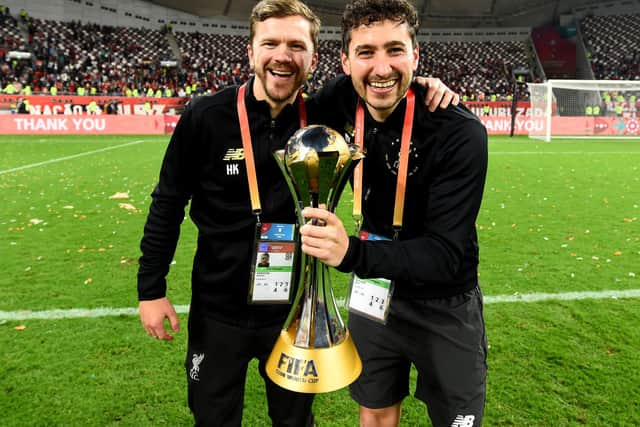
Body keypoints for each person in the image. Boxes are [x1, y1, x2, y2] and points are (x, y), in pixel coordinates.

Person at [137, 0, 457, 425]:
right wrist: (151, 289)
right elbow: (168, 204)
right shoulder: (205, 117)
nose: (282, 55)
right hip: (218, 310)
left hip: (296, 310)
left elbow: (384, 75)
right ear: (251, 52)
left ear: (314, 57)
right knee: (213, 417)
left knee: (294, 422)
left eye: (296, 45)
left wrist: (430, 83)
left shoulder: (326, 111)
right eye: (270, 43)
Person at [299, 1, 489, 426]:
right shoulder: (339, 99)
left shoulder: (459, 132)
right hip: (375, 294)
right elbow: (276, 118)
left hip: (444, 302)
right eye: (366, 52)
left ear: (416, 55)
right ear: (345, 60)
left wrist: (351, 255)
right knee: (376, 411)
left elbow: (445, 254)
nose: (381, 68)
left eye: (395, 50)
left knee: (458, 421)